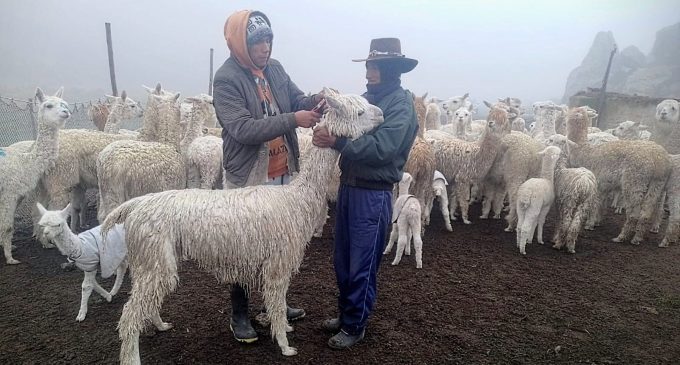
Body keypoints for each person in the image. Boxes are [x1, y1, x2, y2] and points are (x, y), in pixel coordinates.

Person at [212, 9, 323, 344]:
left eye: (268, 39)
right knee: (243, 247)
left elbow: (297, 99)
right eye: (257, 41)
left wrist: (318, 101)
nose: (265, 47)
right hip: (249, 176)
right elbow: (243, 128)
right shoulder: (226, 79)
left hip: (281, 172)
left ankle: (274, 304)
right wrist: (294, 118)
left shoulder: (275, 70)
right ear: (240, 42)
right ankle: (240, 314)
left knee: (278, 246)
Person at [312, 38, 419, 349]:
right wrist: (326, 126)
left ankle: (355, 323)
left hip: (372, 193)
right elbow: (342, 123)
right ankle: (346, 313)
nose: (368, 71)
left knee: (362, 261)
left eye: (374, 66)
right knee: (343, 258)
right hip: (349, 187)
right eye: (369, 65)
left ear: (390, 69)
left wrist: (339, 143)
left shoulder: (400, 105)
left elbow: (384, 148)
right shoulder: (366, 98)